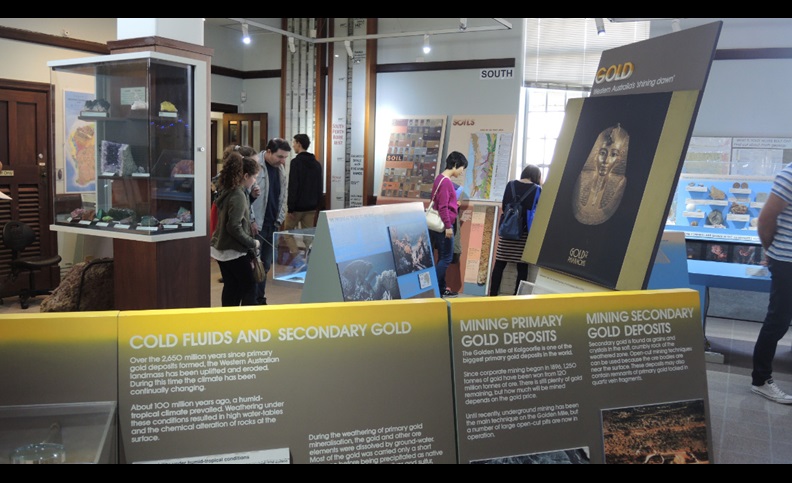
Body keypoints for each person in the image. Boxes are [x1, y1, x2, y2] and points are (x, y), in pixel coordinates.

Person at [751, 163, 792, 404]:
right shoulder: (790, 174)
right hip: (787, 261)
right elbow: (766, 220)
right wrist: (771, 251)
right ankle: (760, 380)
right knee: (778, 322)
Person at [210, 152, 261, 307]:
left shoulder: (228, 189)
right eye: (254, 177)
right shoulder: (238, 194)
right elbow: (234, 226)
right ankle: (244, 319)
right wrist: (252, 242)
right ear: (245, 176)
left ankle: (228, 318)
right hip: (233, 249)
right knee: (249, 286)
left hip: (221, 248)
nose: (255, 180)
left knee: (232, 286)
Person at [489, 165, 543, 296]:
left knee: (500, 263)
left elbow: (504, 206)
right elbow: (539, 210)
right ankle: (517, 297)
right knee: (522, 267)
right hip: (524, 233)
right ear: (536, 176)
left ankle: (492, 295)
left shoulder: (510, 184)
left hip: (507, 230)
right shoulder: (537, 189)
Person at [250, 138, 290, 305]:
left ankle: (260, 300)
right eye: (280, 156)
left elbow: (283, 196)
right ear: (268, 151)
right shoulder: (254, 165)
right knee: (253, 266)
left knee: (265, 266)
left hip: (272, 224)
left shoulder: (280, 169)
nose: (283, 161)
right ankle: (251, 301)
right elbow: (245, 196)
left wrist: (280, 218)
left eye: (285, 157)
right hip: (256, 225)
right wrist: (251, 220)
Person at [282, 133, 324, 266]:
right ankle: (311, 262)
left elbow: (293, 186)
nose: (293, 145)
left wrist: (290, 207)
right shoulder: (316, 164)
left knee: (287, 232)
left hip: (297, 207)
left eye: (294, 143)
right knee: (308, 236)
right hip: (312, 207)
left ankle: (297, 259)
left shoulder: (296, 163)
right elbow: (319, 187)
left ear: (299, 144)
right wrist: (318, 205)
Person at [430, 151, 468, 298]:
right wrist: (448, 226)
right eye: (462, 168)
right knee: (446, 258)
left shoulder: (440, 179)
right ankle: (431, 287)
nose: (461, 172)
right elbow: (443, 207)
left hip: (438, 224)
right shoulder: (446, 182)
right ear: (455, 164)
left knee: (442, 257)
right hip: (443, 225)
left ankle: (440, 289)